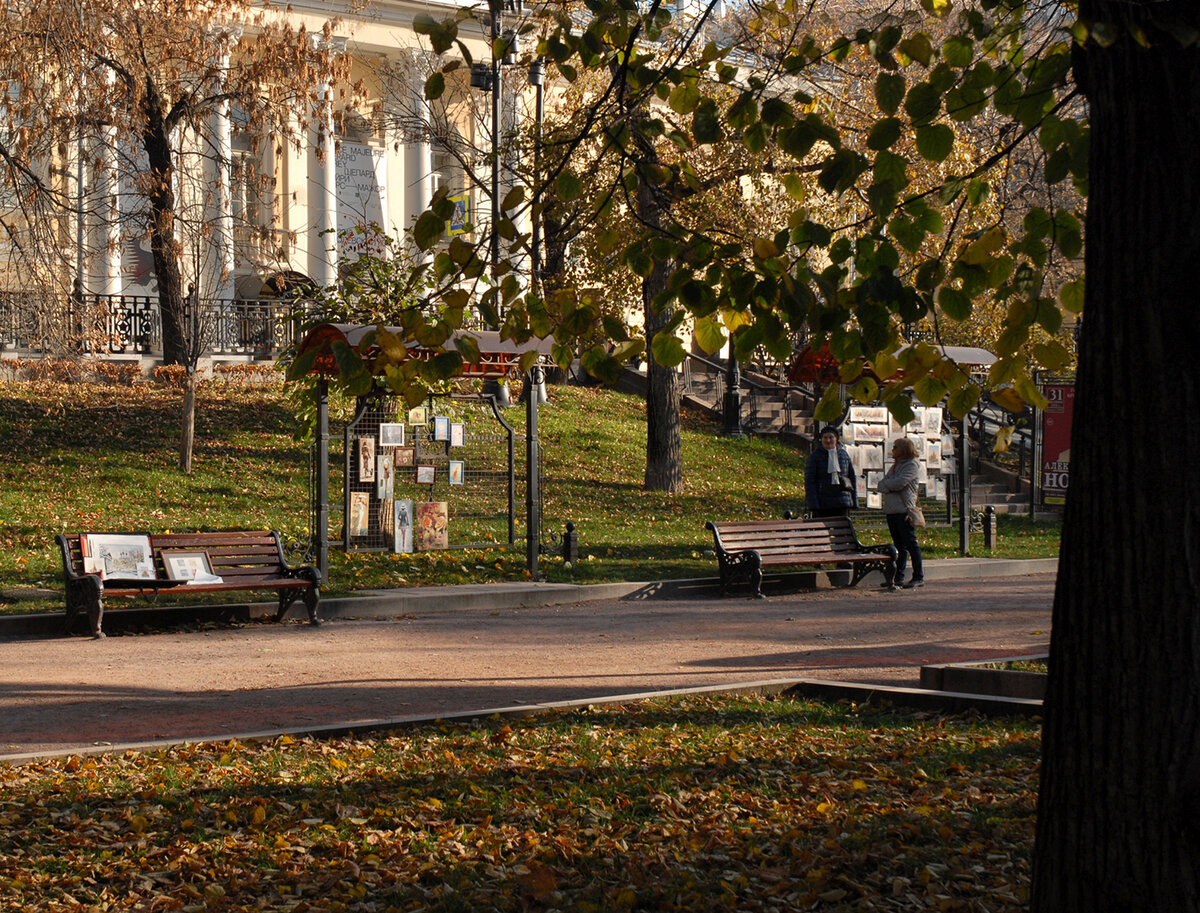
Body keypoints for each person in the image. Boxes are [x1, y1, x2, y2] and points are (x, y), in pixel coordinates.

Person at [877, 436, 924, 588]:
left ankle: (918, 576)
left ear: (903, 450)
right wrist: (887, 485)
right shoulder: (895, 465)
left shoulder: (911, 465)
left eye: (895, 447)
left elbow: (899, 483)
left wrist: (887, 486)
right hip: (892, 511)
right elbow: (882, 483)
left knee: (911, 544)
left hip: (904, 511)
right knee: (899, 546)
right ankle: (898, 577)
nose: (893, 450)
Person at [805, 425, 858, 517]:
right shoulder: (815, 456)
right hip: (823, 503)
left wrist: (854, 501)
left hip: (842, 502)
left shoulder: (843, 455)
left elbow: (851, 477)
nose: (828, 440)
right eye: (825, 438)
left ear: (836, 439)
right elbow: (810, 482)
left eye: (831, 437)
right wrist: (813, 504)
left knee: (842, 530)